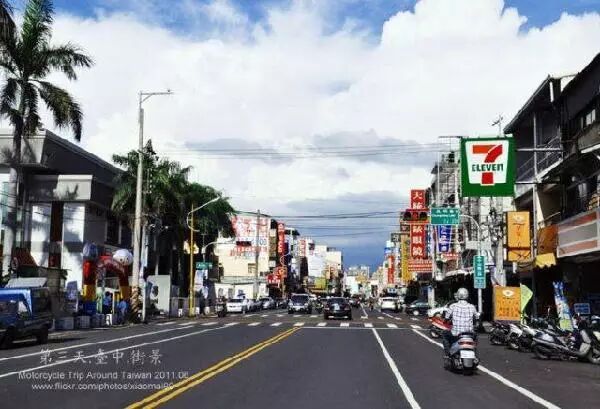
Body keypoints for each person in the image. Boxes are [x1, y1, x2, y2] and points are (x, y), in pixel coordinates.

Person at [442, 288, 478, 356]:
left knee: (444, 333)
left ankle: (448, 353)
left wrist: (445, 321)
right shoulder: (472, 307)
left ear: (458, 296)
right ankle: (474, 352)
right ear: (467, 296)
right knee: (475, 336)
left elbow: (446, 318)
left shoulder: (453, 306)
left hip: (456, 333)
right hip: (469, 333)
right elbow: (476, 318)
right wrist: (474, 323)